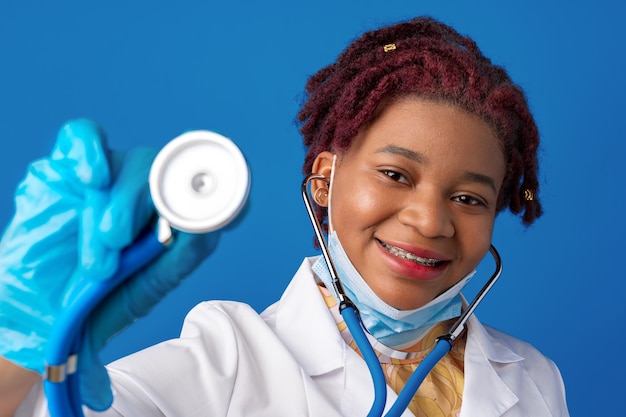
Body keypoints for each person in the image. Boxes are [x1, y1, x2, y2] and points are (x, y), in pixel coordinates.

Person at [0, 16, 569, 417]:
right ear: (323, 180)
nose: (429, 221)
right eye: (395, 175)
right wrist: (20, 347)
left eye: (469, 199)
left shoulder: (532, 380)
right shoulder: (228, 356)